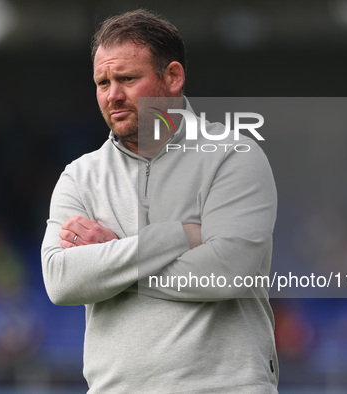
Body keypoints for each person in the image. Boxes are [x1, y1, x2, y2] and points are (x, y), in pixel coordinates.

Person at [41, 9, 278, 393]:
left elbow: (228, 272)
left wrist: (112, 259)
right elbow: (61, 280)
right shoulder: (79, 176)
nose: (112, 95)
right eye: (103, 82)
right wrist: (178, 237)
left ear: (172, 77)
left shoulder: (234, 156)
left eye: (127, 79)